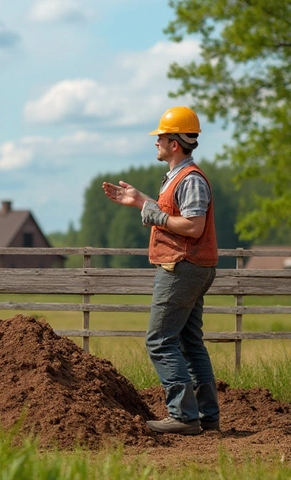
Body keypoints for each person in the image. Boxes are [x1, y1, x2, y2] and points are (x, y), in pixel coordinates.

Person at [102, 106, 220, 435]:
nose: (156, 142)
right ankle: (206, 416)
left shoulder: (191, 180)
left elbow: (193, 227)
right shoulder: (178, 178)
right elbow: (176, 217)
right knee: (189, 342)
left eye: (161, 137)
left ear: (175, 143)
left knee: (159, 341)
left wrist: (153, 215)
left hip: (182, 266)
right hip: (189, 265)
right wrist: (140, 201)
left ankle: (182, 415)